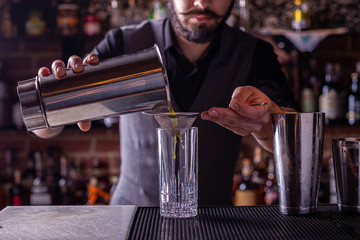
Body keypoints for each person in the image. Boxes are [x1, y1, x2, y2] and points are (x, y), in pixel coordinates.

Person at [34, 0, 299, 206]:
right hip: (131, 217)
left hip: (215, 221)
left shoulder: (255, 54)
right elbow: (43, 129)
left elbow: (293, 139)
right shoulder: (122, 43)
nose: (202, 3)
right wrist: (50, 98)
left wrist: (265, 122)